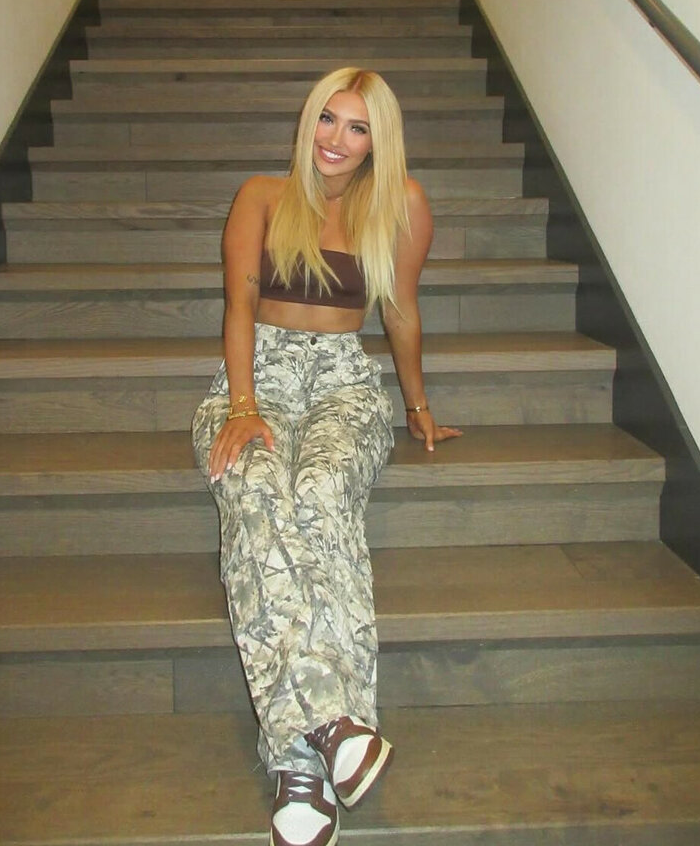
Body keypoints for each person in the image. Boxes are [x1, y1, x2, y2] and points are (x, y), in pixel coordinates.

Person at [192, 67, 462, 846]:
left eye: (357, 127)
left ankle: (302, 766)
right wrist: (242, 406)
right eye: (327, 119)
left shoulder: (402, 205)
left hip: (344, 381)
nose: (336, 140)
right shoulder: (260, 196)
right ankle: (329, 735)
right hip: (258, 376)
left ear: (379, 140)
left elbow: (399, 311)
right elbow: (239, 304)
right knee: (254, 488)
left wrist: (417, 407)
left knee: (317, 492)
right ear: (308, 120)